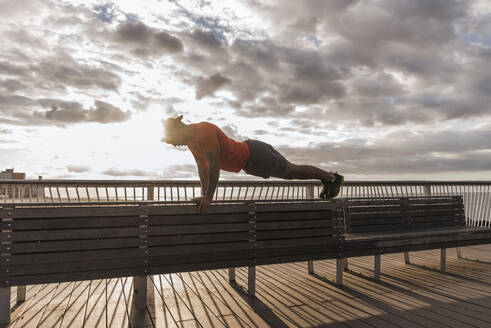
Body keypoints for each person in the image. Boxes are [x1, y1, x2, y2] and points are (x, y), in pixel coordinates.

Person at [162, 115, 344, 214]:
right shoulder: (192, 143)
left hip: (256, 154)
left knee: (291, 171)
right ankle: (330, 178)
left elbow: (214, 167)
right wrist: (203, 196)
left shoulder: (203, 132)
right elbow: (203, 169)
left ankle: (331, 178)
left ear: (179, 129)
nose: (175, 145)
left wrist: (209, 198)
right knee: (291, 172)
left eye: (173, 140)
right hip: (250, 162)